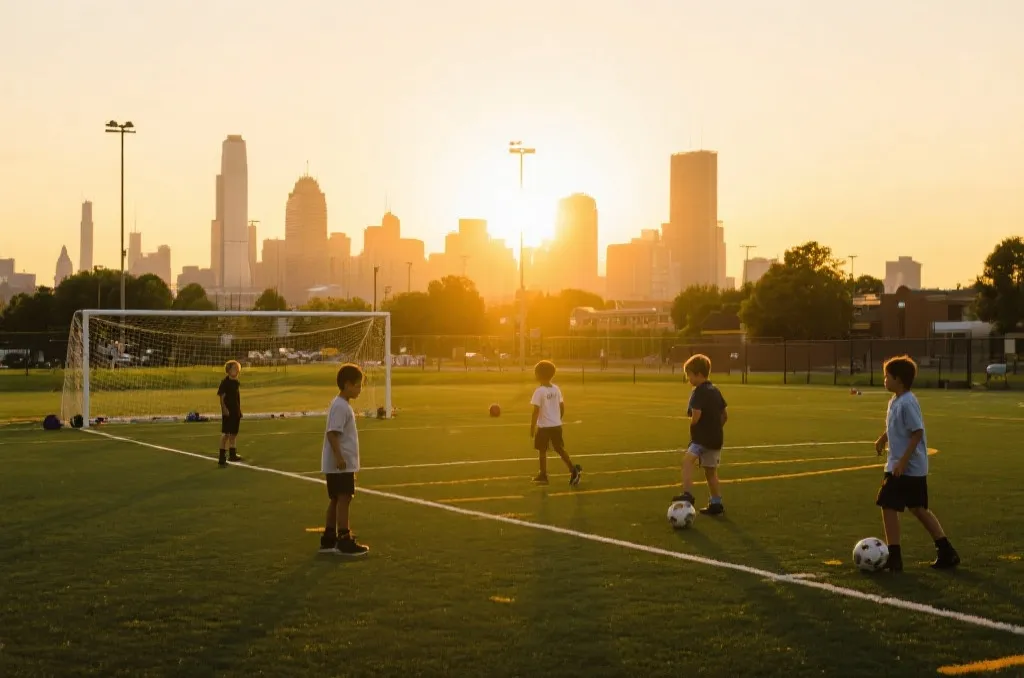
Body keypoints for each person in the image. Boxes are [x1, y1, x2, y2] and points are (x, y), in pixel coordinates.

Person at [874, 355, 959, 572]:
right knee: (917, 508)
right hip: (901, 465)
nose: (885, 380)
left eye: (887, 376)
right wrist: (883, 438)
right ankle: (946, 551)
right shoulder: (895, 401)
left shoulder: (908, 402)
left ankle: (894, 557)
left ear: (899, 380)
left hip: (906, 467)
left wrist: (903, 461)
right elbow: (896, 426)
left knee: (888, 504)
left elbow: (917, 432)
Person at [320, 363, 369, 556]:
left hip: (338, 463)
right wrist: (340, 458)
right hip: (340, 463)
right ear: (347, 384)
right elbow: (332, 433)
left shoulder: (340, 404)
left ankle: (329, 538)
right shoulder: (341, 406)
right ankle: (344, 538)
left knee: (336, 498)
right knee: (344, 498)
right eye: (358, 385)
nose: (360, 389)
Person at [672, 354, 728, 515]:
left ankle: (687, 494)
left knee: (687, 461)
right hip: (715, 438)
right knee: (711, 471)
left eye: (689, 375)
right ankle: (716, 503)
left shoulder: (698, 392)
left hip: (700, 439)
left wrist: (693, 426)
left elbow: (696, 415)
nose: (688, 378)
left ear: (698, 374)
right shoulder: (715, 391)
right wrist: (715, 428)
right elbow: (724, 415)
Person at [530, 360, 582, 487]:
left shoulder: (539, 391)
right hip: (556, 425)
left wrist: (532, 427)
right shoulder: (556, 389)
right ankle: (573, 469)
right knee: (559, 448)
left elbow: (536, 411)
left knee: (542, 450)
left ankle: (543, 475)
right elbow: (562, 406)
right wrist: (557, 418)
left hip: (544, 427)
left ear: (539, 375)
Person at [216, 360, 243, 466]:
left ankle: (232, 454)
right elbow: (221, 397)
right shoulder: (225, 382)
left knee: (233, 433)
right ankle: (222, 457)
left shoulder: (236, 382)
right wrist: (224, 409)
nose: (236, 370)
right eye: (233, 368)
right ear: (228, 370)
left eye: (237, 368)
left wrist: (239, 411)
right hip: (228, 411)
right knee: (226, 434)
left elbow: (237, 398)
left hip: (235, 411)